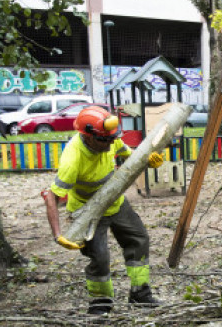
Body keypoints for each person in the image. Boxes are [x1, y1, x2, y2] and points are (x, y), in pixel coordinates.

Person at [42, 105, 164, 312]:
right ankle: (100, 303)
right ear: (89, 137)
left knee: (138, 239)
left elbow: (131, 157)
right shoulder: (73, 159)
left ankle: (140, 294)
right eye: (105, 140)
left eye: (112, 139)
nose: (110, 144)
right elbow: (50, 195)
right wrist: (57, 235)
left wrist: (148, 160)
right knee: (99, 256)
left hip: (115, 203)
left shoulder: (109, 139)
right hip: (86, 210)